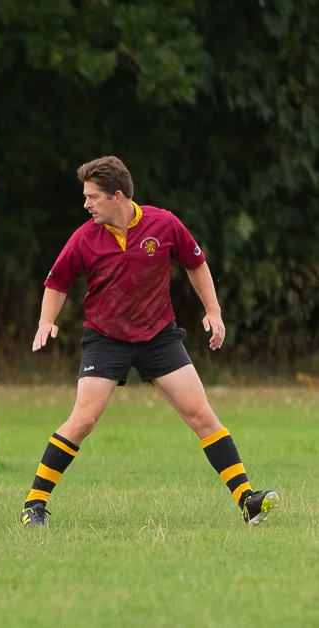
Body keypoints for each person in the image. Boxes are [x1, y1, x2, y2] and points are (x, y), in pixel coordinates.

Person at [20, 156, 279, 527]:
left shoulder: (164, 224)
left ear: (117, 196)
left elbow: (196, 263)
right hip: (105, 338)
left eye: (92, 196)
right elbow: (57, 281)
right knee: (83, 420)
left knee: (202, 415)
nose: (86, 204)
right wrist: (47, 320)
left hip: (159, 337)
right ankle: (34, 505)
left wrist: (214, 311)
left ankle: (247, 500)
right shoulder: (85, 238)